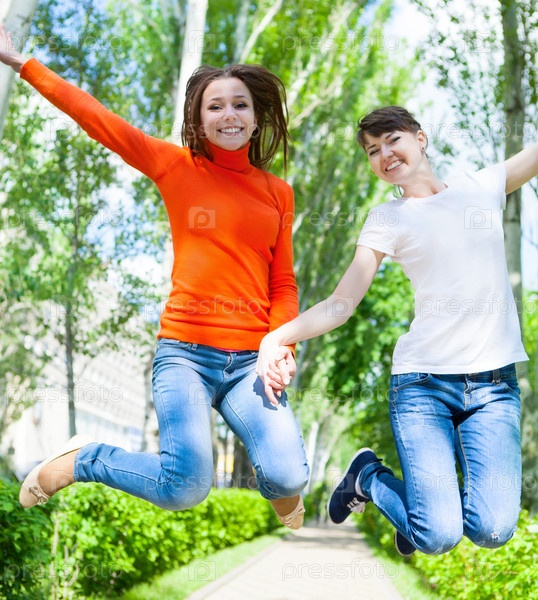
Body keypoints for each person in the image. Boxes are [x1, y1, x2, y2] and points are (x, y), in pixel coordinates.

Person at [0, 25, 308, 528]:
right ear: (199, 121)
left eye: (240, 105)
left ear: (256, 119)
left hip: (251, 362)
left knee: (290, 475)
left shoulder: (279, 193)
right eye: (215, 106)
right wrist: (21, 62)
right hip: (186, 355)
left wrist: (282, 346)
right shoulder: (176, 166)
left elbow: (283, 284)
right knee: (186, 487)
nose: (229, 114)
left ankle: (282, 483)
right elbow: (98, 120)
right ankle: (85, 459)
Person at [257, 104, 538, 554]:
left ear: (420, 139)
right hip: (423, 386)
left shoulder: (480, 185)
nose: (384, 154)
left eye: (393, 140)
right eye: (373, 150)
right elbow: (341, 303)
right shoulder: (388, 218)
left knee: (492, 530)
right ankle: (368, 476)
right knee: (438, 536)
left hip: (493, 388)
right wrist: (278, 336)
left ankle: (396, 497)